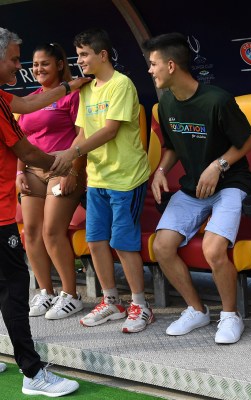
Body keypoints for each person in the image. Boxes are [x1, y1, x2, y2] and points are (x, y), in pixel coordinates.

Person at [142, 32, 251, 344]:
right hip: (193, 189)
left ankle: (231, 316)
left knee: (213, 248)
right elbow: (171, 147)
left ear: (170, 65)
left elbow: (248, 141)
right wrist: (160, 171)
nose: (150, 71)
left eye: (153, 64)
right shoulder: (164, 103)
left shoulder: (217, 99)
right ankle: (197, 310)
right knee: (161, 246)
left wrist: (218, 165)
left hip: (230, 184)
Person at [0, 27, 90, 395]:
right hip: (1, 212)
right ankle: (33, 373)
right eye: (13, 59)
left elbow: (28, 104)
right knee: (16, 290)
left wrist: (70, 87)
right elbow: (28, 152)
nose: (19, 66)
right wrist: (65, 164)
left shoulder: (5, 97)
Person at [55, 28, 153, 333]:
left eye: (84, 54)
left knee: (123, 243)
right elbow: (83, 131)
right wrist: (72, 157)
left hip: (126, 177)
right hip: (97, 178)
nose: (80, 60)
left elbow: (110, 130)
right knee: (95, 240)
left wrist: (71, 153)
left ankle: (141, 305)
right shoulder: (86, 89)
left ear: (102, 55)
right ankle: (112, 301)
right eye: (78, 54)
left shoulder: (122, 84)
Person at [17, 43, 86, 320]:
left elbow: (83, 137)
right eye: (34, 65)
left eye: (44, 63)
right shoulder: (32, 99)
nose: (38, 69)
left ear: (59, 64)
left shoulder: (73, 95)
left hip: (63, 168)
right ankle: (46, 291)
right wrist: (20, 172)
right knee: (30, 232)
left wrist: (73, 172)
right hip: (32, 170)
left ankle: (71, 295)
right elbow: (21, 141)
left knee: (51, 231)